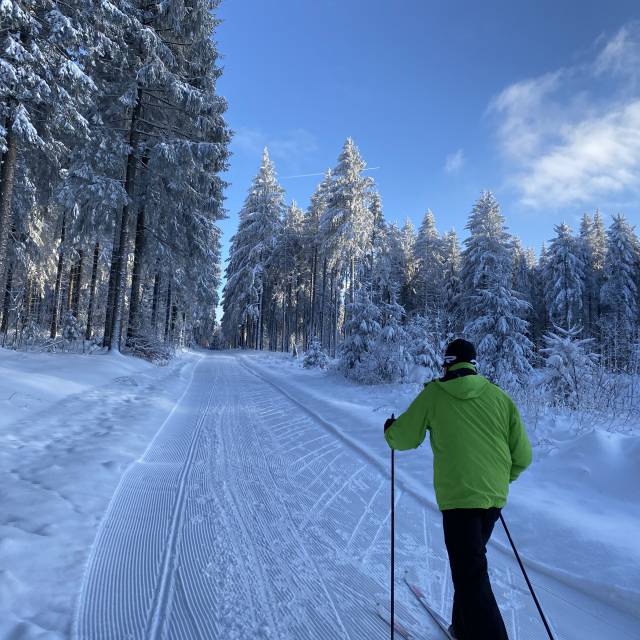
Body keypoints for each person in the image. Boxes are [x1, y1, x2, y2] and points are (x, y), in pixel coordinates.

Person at [384, 338, 532, 640]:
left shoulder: (435, 394)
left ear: (447, 363)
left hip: (459, 500)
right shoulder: (499, 397)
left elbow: (404, 439)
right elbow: (524, 457)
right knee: (470, 566)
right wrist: (498, 482)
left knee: (471, 574)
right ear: (474, 364)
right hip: (492, 499)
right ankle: (464, 628)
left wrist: (390, 429)